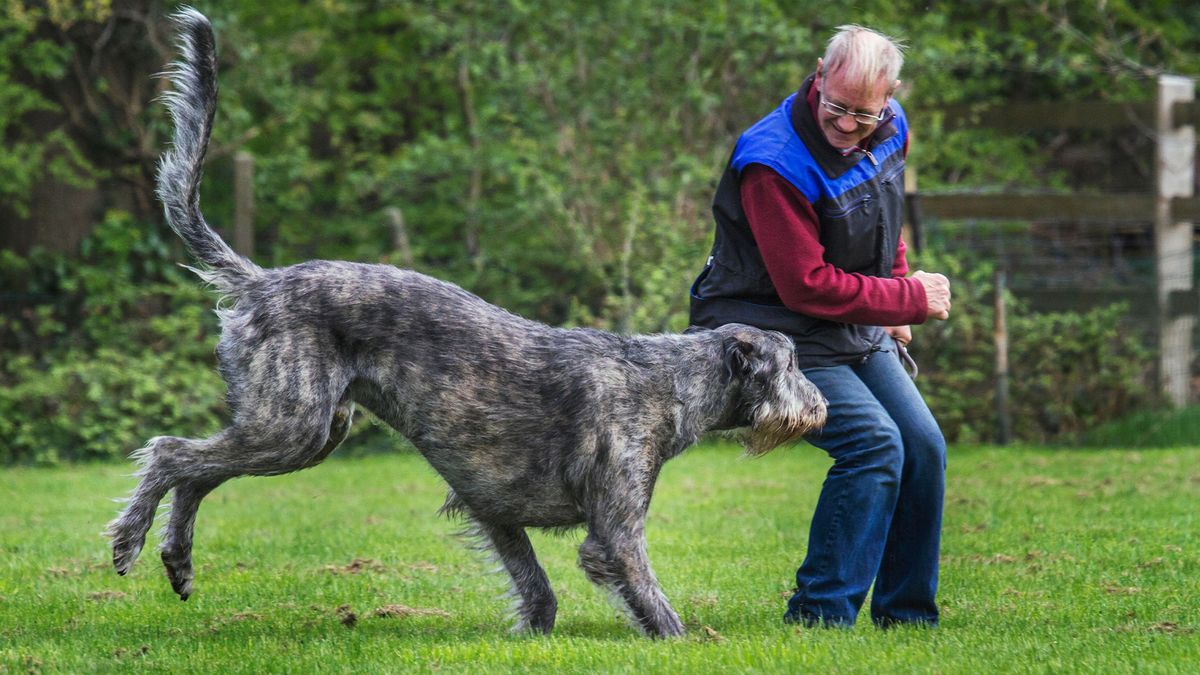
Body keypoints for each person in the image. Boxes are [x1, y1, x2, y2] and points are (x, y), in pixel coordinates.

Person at [689, 25, 951, 628]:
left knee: (924, 447)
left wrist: (896, 298)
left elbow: (888, 219)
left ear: (891, 95)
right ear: (818, 73)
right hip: (768, 333)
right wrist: (903, 299)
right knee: (873, 445)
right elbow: (804, 284)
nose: (847, 124)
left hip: (848, 325)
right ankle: (819, 616)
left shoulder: (892, 125)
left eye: (864, 112)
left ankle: (907, 618)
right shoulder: (772, 161)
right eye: (837, 107)